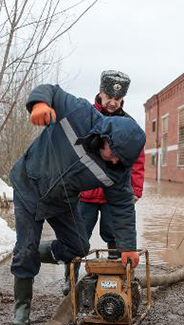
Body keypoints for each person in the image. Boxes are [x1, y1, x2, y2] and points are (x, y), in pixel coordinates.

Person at [9, 84, 145, 325]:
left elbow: (123, 206)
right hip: (29, 185)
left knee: (78, 248)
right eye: (114, 154)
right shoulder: (79, 113)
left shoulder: (117, 170)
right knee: (26, 249)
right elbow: (50, 90)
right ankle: (22, 308)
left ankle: (28, 251)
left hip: (63, 200)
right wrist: (38, 104)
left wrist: (128, 247)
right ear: (106, 137)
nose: (115, 161)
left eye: (121, 161)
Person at [62, 70, 145, 296]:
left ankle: (115, 279)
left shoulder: (129, 125)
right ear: (100, 93)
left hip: (114, 196)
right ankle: (69, 281)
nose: (112, 103)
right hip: (85, 196)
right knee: (77, 238)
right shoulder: (86, 117)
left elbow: (136, 161)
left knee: (116, 239)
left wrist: (135, 191)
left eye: (117, 100)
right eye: (109, 97)